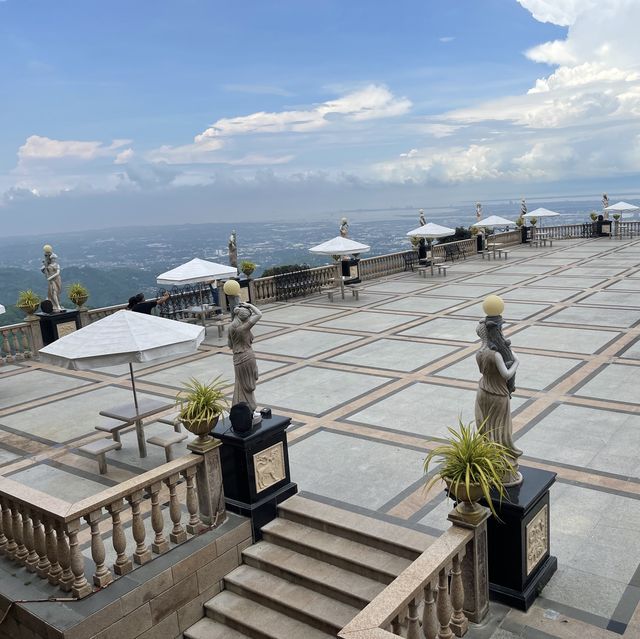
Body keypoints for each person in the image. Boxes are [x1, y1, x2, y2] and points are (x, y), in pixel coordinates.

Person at [474, 317, 522, 485]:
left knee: (488, 429)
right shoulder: (496, 355)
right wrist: (516, 362)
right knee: (501, 429)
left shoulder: (479, 354)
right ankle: (501, 464)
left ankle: (490, 462)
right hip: (498, 395)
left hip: (482, 392)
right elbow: (507, 375)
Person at [227, 302, 262, 411]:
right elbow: (259, 314)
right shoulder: (244, 328)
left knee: (240, 384)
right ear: (245, 318)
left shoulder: (231, 328)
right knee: (248, 385)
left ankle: (239, 405)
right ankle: (250, 407)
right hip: (247, 356)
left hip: (237, 359)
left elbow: (230, 345)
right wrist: (249, 305)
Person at [41, 245, 63, 312]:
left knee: (57, 292)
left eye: (54, 258)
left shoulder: (57, 265)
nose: (53, 260)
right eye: (52, 258)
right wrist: (44, 266)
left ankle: (57, 304)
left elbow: (57, 273)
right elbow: (43, 270)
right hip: (51, 281)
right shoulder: (48, 265)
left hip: (57, 279)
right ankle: (57, 306)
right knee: (53, 292)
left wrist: (50, 277)